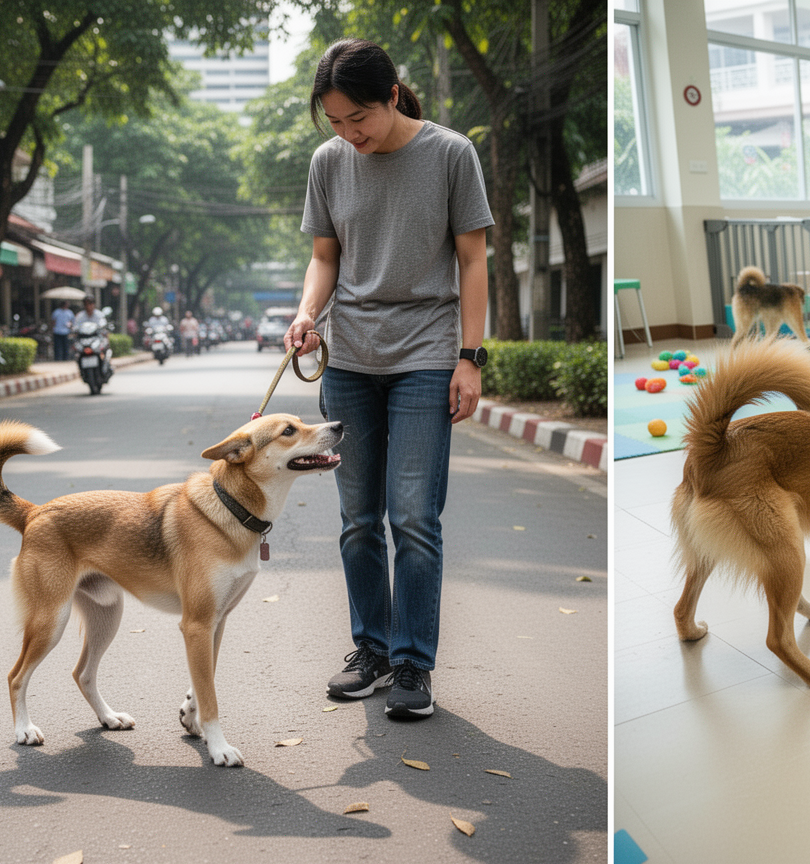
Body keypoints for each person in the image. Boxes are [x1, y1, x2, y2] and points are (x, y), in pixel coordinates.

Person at [286, 37, 492, 720]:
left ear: (393, 94)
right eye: (336, 123)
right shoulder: (329, 163)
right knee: (356, 519)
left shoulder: (450, 154)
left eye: (358, 119)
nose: (349, 134)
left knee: (412, 515)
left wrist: (471, 356)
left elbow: (471, 261)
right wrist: (307, 313)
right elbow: (325, 256)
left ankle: (411, 664)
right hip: (348, 359)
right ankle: (369, 651)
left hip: (427, 354)